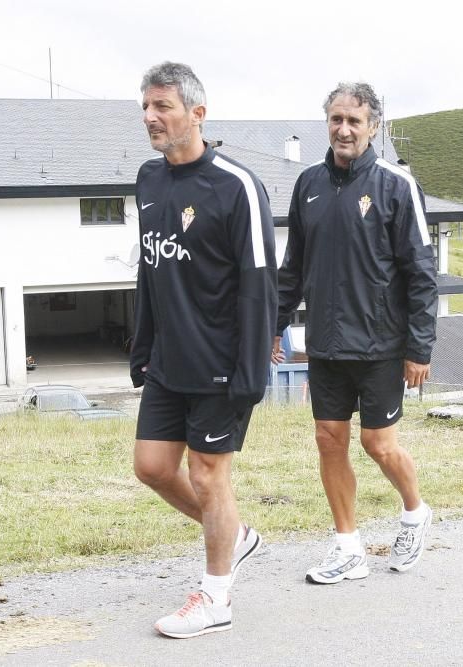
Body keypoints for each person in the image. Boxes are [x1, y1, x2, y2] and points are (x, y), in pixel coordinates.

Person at [130, 61, 277, 638]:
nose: (150, 117)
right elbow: (149, 269)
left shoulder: (236, 185)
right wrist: (141, 345)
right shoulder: (147, 179)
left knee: (210, 476)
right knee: (153, 468)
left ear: (197, 113)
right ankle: (235, 535)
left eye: (162, 106)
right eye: (145, 106)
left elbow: (258, 281)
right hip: (169, 359)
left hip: (221, 364)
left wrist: (250, 371)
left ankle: (215, 596)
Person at [274, 82, 438, 584]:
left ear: (373, 127)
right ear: (327, 123)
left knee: (377, 444)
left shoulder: (395, 184)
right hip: (324, 342)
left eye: (354, 121)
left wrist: (419, 346)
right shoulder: (308, 185)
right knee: (329, 440)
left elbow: (421, 273)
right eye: (336, 120)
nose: (344, 129)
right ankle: (347, 546)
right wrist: (274, 326)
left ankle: (414, 512)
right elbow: (292, 267)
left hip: (382, 345)